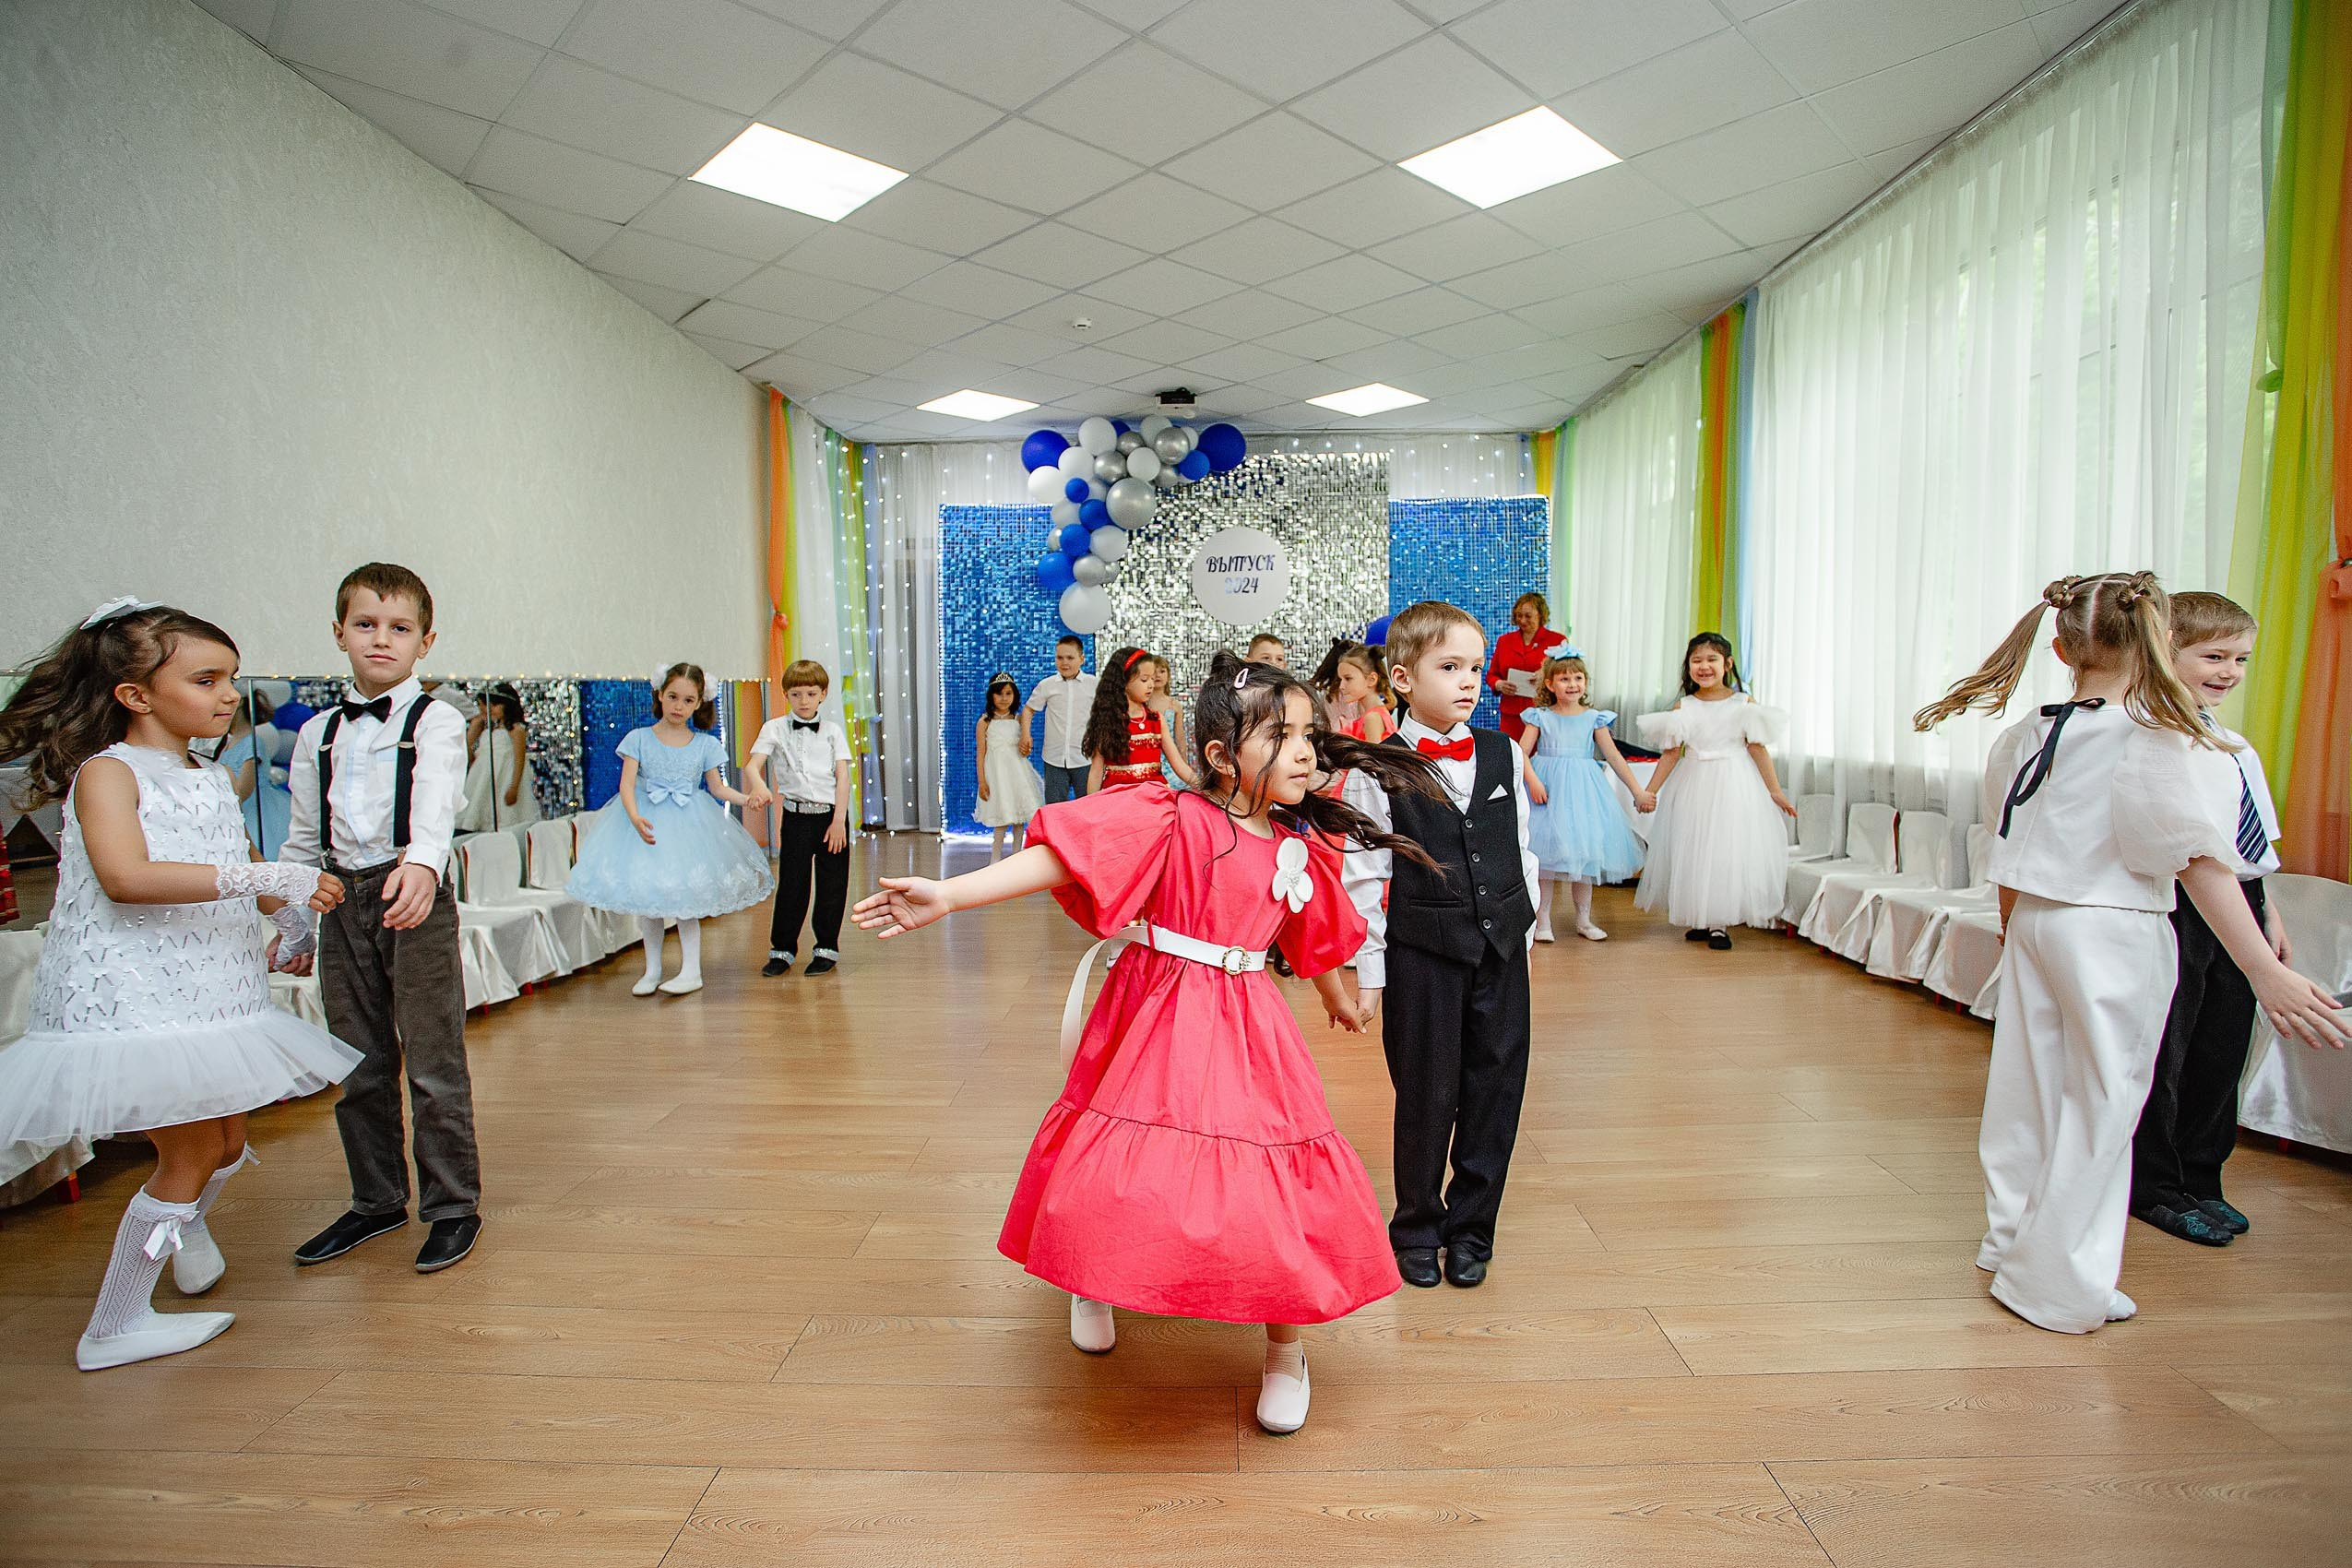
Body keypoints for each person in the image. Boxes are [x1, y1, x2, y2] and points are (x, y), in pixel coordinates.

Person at [851, 651, 1446, 1432]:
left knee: (1271, 1179)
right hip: (1155, 1008)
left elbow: (1313, 940)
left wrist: (1341, 1002)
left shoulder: (1297, 845)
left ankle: (1285, 1347)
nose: (1305, 751)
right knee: (1116, 1162)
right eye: (1282, 736)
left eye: (1309, 734)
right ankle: (1090, 1279)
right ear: (1221, 757)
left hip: (1249, 1026)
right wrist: (950, 894)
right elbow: (1061, 856)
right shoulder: (1170, 815)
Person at [1915, 573, 2346, 1335]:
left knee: (2028, 1090)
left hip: (2038, 920)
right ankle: (2057, 1285)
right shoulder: (2162, 736)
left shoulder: (2030, 732)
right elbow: (2199, 860)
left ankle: (2012, 1242)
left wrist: (2018, 933)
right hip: (2111, 928)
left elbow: (2006, 847)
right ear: (2158, 641)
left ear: (2060, 648)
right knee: (2103, 1103)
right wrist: (2264, 969)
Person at [0, 600, 359, 1369]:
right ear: (135, 695)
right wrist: (270, 877)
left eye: (231, 678)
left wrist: (289, 916)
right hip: (141, 992)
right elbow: (127, 877)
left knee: (226, 1139)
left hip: (209, 986)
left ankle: (181, 1220)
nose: (228, 695)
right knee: (191, 1150)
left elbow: (230, 857)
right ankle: (115, 1324)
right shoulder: (108, 773)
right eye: (206, 680)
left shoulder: (208, 775)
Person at [279, 564, 485, 1275]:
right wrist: (295, 928)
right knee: (357, 1061)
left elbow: (437, 800)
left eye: (399, 628)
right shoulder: (318, 733)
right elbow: (302, 839)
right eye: (365, 624)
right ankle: (376, 1200)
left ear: (425, 642)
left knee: (432, 1060)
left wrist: (423, 865)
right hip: (339, 899)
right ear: (339, 632)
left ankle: (452, 1205)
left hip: (411, 890)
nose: (381, 639)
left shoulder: (437, 719)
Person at [1341, 600, 1539, 1291]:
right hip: (1422, 953)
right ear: (1401, 678)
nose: (1469, 682)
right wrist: (1371, 975)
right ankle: (1418, 1226)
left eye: (1476, 668)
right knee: (1426, 1093)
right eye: (1450, 667)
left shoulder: (1503, 751)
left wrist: (1523, 934)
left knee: (1496, 1090)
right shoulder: (1377, 768)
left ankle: (1474, 1228)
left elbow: (1519, 850)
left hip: (1501, 952)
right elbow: (1365, 877)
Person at [2131, 591, 2292, 1247]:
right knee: (2169, 1047)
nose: (2230, 672)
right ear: (2166, 651)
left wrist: (2269, 912)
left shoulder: (2231, 744)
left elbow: (2251, 846)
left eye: (2241, 659)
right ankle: (2154, 1185)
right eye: (2214, 657)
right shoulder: (2152, 735)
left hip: (2239, 903)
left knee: (2223, 1043)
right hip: (2181, 904)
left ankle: (2202, 1175)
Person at [570, 663, 773, 996]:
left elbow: (717, 788)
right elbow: (626, 785)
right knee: (648, 899)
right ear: (660, 695)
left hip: (687, 827)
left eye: (688, 700)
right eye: (673, 697)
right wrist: (635, 818)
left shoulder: (704, 745)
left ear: (699, 703)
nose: (679, 706)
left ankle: (691, 971)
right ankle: (652, 970)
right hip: (647, 825)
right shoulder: (639, 739)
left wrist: (746, 798)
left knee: (684, 900)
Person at [1633, 633, 1795, 949]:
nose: (1704, 666)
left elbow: (1757, 748)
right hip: (1694, 782)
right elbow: (1671, 753)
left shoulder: (1742, 704)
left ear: (1727, 664)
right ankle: (1702, 917)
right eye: (1697, 661)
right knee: (1694, 849)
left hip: (1734, 782)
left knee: (1723, 850)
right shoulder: (1685, 705)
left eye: (1712, 660)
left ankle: (1719, 924)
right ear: (1688, 666)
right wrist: (1649, 792)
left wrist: (1774, 791)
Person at [1523, 654, 1651, 942]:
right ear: (1550, 684)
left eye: (1578, 678)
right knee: (1545, 861)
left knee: (1584, 860)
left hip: (1583, 795)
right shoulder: (1540, 717)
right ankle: (1543, 922)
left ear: (1586, 682)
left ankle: (1583, 920)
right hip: (1548, 792)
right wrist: (1533, 781)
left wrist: (1637, 791)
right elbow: (1521, 752)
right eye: (1564, 678)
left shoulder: (1594, 719)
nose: (1572, 684)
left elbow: (1614, 757)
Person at [745, 659, 852, 977]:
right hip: (795, 818)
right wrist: (759, 785)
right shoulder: (774, 728)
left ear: (823, 694)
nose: (804, 701)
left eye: (811, 693)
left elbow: (843, 778)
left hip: (831, 817)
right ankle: (782, 951)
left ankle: (826, 949)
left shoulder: (833, 731)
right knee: (792, 883)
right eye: (796, 694)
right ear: (786, 695)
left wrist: (838, 821)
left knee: (832, 884)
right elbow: (752, 766)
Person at [1084, 646, 1197, 791]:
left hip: (1153, 798)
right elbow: (1096, 772)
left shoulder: (1156, 720)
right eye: (1144, 680)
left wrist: (1208, 789)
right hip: (1118, 798)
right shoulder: (1108, 721)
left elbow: (1179, 765)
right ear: (1124, 682)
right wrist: (1091, 804)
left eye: (1152, 679)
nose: (1151, 685)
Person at [974, 672, 1044, 862]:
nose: (1004, 698)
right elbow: (981, 753)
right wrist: (982, 781)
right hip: (998, 776)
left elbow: (1025, 748)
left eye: (1008, 694)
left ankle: (1016, 857)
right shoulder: (985, 722)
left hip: (1017, 774)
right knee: (1002, 817)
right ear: (991, 696)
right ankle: (995, 859)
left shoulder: (1018, 720)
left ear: (1014, 696)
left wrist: (1027, 745)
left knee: (1018, 817)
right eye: (999, 694)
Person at [1484, 591, 1568, 746]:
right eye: (1519, 615)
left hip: (1545, 713)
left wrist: (1544, 674)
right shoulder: (1505, 641)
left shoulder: (1557, 641)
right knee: (1512, 754)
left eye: (1528, 616)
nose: (1522, 620)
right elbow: (1491, 675)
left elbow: (1567, 675)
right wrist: (1499, 684)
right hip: (1511, 715)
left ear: (1540, 615)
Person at [215, 689, 291, 856]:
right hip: (235, 809)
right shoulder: (227, 743)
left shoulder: (252, 742)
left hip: (254, 810)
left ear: (240, 702)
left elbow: (245, 789)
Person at [455, 683, 540, 833]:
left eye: (493, 705)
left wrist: (514, 787)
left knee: (503, 815)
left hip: (504, 777)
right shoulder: (489, 728)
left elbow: (519, 759)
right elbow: (468, 749)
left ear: (507, 705)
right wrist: (476, 725)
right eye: (482, 705)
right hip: (484, 777)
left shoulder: (515, 729)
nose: (487, 709)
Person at [1023, 636, 1095, 804]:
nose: (1064, 663)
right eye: (1060, 658)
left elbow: (1105, 715)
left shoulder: (1094, 685)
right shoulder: (1047, 685)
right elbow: (1028, 709)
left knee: (1088, 806)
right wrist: (1025, 734)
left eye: (1070, 658)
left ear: (1082, 659)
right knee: (1055, 807)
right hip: (1054, 758)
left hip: (1085, 758)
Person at [1312, 640, 1394, 743]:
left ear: (1371, 679)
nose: (1341, 686)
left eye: (1348, 679)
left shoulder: (1372, 718)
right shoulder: (1373, 714)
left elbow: (1373, 754)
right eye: (1341, 679)